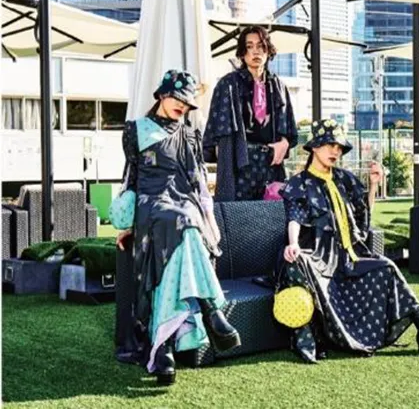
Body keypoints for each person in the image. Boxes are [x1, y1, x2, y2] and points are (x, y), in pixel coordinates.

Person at [277, 118, 419, 363]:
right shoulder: (299, 183)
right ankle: (313, 338)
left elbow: (361, 215)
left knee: (387, 267)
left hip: (350, 255)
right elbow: (295, 216)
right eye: (330, 145)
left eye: (339, 147)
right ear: (315, 147)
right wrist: (293, 243)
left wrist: (373, 186)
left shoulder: (344, 179)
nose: (335, 151)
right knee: (297, 261)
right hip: (320, 256)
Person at [115, 70, 241, 386]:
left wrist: (210, 221)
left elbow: (199, 184)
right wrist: (126, 222)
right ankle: (212, 310)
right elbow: (130, 177)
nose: (182, 106)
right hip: (151, 205)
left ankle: (163, 349)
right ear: (162, 94)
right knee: (182, 223)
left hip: (184, 204)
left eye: (187, 103)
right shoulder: (135, 130)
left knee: (188, 227)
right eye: (177, 98)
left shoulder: (190, 135)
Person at [203, 25, 298, 201]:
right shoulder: (227, 84)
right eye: (249, 46)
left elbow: (289, 129)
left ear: (268, 50)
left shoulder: (278, 85)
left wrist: (284, 143)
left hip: (270, 164)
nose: (255, 51)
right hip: (239, 165)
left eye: (261, 46)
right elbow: (215, 132)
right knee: (237, 214)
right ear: (242, 52)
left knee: (271, 213)